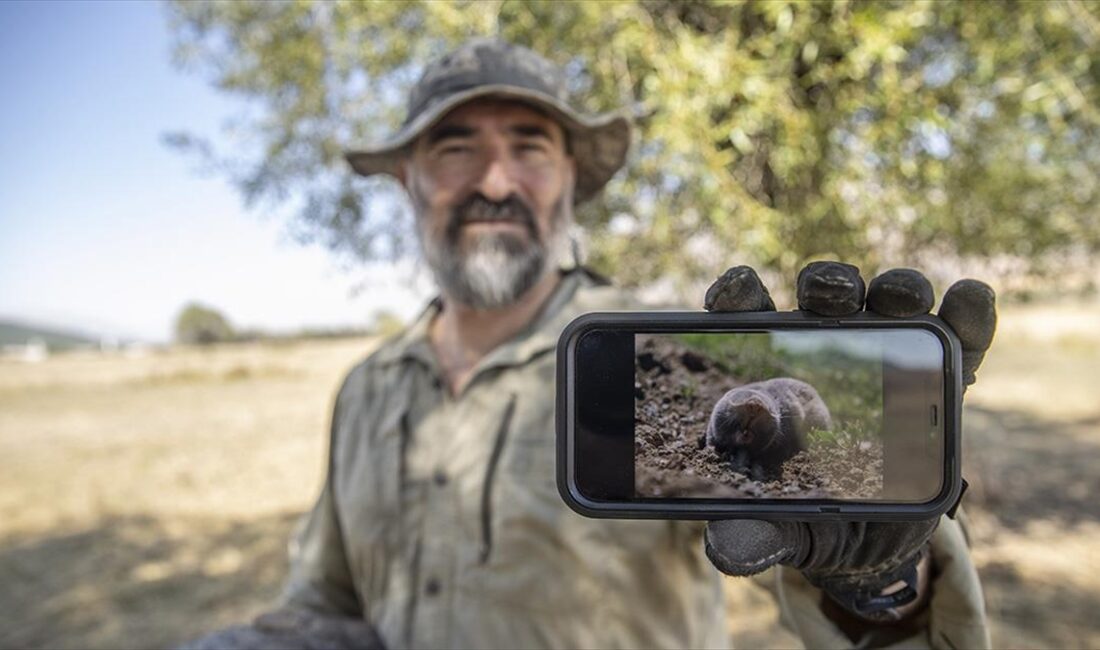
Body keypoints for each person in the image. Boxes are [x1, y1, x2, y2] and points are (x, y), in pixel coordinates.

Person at [184, 39, 995, 650]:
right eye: (454, 145)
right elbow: (328, 600)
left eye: (529, 145)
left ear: (570, 176)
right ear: (409, 178)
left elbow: (803, 542)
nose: (494, 180)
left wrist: (879, 582)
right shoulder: (365, 388)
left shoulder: (663, 358)